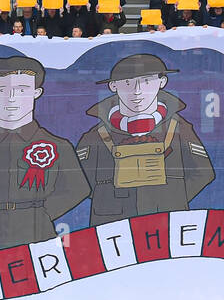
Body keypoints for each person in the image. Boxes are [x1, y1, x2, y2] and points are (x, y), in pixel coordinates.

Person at [0, 56, 89, 259]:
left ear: (36, 93)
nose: (11, 98)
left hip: (35, 236)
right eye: (1, 90)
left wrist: (37, 214)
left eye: (22, 90)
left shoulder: (58, 146)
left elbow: (77, 189)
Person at [76, 53, 214, 226]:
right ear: (113, 86)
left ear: (162, 82)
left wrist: (171, 198)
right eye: (127, 83)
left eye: (146, 81)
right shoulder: (95, 135)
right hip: (112, 224)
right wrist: (110, 197)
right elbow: (79, 180)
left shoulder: (180, 129)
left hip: (165, 221)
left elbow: (203, 172)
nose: (137, 91)